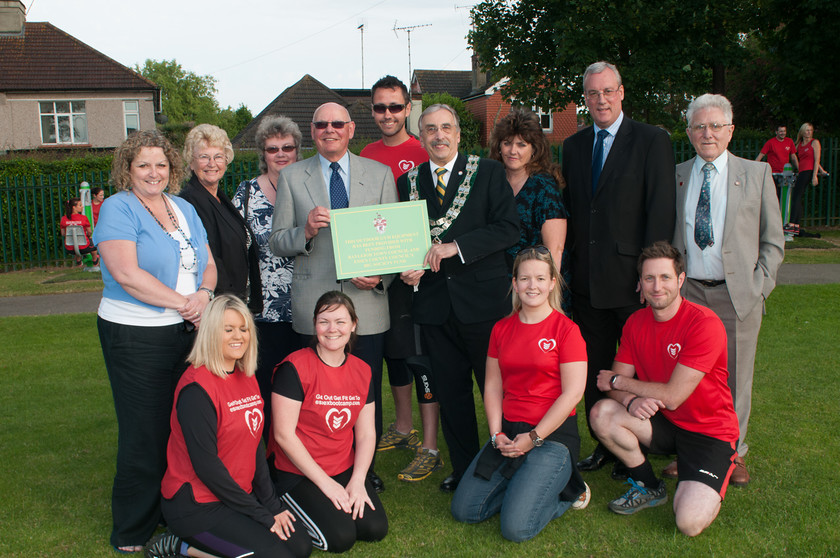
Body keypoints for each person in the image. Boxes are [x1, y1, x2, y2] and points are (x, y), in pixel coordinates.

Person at [93, 130, 217, 553]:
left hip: (186, 330)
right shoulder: (118, 208)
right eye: (143, 164)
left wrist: (204, 297)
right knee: (144, 432)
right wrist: (186, 304)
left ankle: (172, 510)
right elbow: (127, 274)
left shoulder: (183, 207)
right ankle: (132, 527)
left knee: (179, 427)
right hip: (135, 334)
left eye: (161, 164)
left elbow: (209, 263)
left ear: (172, 168)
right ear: (127, 168)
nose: (153, 173)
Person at [269, 102, 397, 493]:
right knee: (313, 397)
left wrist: (379, 279)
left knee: (365, 394)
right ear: (312, 130)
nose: (330, 130)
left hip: (367, 309)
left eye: (337, 123)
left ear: (350, 129)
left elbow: (394, 241)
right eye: (321, 124)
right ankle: (313, 470)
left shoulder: (379, 175)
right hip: (314, 309)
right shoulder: (292, 176)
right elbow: (277, 242)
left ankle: (364, 471)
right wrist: (305, 231)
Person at [397, 103, 520, 492]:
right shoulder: (408, 182)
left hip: (484, 303)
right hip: (434, 305)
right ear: (420, 135)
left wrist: (457, 247)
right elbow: (404, 239)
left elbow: (508, 229)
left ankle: (515, 461)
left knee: (500, 389)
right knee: (450, 393)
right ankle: (466, 468)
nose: (439, 135)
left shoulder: (488, 172)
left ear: (458, 133)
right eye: (430, 129)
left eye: (446, 127)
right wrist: (405, 266)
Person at [562, 61, 676, 474]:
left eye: (608, 91)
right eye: (592, 94)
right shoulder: (573, 147)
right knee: (595, 367)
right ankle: (606, 442)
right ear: (586, 99)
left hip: (632, 284)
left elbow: (660, 212)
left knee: (641, 369)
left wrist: (650, 279)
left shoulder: (651, 140)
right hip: (588, 285)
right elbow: (575, 213)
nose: (601, 100)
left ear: (622, 92)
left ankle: (648, 443)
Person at [590, 241, 739, 537]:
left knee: (687, 523)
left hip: (708, 433)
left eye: (665, 277)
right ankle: (649, 485)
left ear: (681, 280)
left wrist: (621, 385)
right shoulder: (635, 322)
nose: (657, 287)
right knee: (602, 413)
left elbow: (671, 397)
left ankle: (712, 468)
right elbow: (611, 387)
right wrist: (631, 400)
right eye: (649, 278)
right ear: (640, 284)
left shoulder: (703, 324)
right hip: (666, 425)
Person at [145, 295, 312, 558]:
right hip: (197, 506)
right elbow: (207, 468)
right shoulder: (196, 389)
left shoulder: (245, 375)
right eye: (228, 329)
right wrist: (262, 515)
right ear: (211, 333)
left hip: (236, 498)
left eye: (244, 328)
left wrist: (273, 506)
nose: (239, 336)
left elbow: (256, 444)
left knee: (300, 547)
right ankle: (182, 548)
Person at [673, 93, 784, 486]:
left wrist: (759, 287)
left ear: (730, 130)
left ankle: (733, 456)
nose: (708, 133)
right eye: (700, 126)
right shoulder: (678, 175)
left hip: (738, 297)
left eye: (716, 125)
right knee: (687, 379)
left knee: (735, 380)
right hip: (689, 297)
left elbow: (773, 241)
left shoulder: (756, 175)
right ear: (688, 132)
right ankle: (689, 452)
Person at [450, 246, 588, 542]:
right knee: (465, 510)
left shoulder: (567, 330)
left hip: (551, 437)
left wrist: (535, 437)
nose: (532, 285)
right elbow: (492, 386)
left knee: (516, 528)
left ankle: (570, 490)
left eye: (540, 278)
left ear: (552, 282)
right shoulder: (501, 329)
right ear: (514, 284)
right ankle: (523, 486)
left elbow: (573, 393)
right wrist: (496, 434)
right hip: (509, 434)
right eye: (524, 279)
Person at [359, 75, 440, 484]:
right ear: (372, 111)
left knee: (420, 356)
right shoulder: (366, 154)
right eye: (380, 107)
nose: (387, 114)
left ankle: (430, 446)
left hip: (417, 276)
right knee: (394, 353)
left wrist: (419, 260)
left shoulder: (423, 150)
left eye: (395, 107)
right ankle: (403, 427)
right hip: (380, 278)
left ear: (409, 109)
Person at [268, 292, 388, 553]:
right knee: (340, 538)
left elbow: (367, 433)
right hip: (299, 470)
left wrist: (357, 479)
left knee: (374, 529)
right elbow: (283, 435)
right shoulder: (295, 368)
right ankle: (281, 502)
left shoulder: (362, 370)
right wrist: (326, 484)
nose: (332, 329)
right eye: (324, 321)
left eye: (340, 322)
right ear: (315, 325)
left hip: (341, 465)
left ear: (354, 324)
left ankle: (335, 495)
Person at [232, 115, 303, 444]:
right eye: (272, 148)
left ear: (297, 149)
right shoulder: (246, 194)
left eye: (287, 147)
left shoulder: (311, 188)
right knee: (263, 387)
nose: (280, 153)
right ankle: (265, 461)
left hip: (306, 307)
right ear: (263, 152)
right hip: (262, 310)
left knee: (302, 389)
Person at [488, 109, 571, 312]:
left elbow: (555, 249)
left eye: (521, 145)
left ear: (534, 149)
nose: (512, 151)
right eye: (507, 143)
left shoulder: (544, 187)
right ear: (498, 146)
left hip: (536, 288)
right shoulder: (493, 183)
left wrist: (546, 296)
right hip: (499, 285)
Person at [181, 123, 262, 313]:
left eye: (218, 157)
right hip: (219, 305)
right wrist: (229, 304)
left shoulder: (221, 199)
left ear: (226, 161)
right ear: (191, 163)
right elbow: (209, 257)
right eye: (204, 157)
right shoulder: (190, 201)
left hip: (237, 300)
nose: (212, 163)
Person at [790, 122, 825, 236]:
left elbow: (816, 159)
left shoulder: (814, 142)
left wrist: (815, 175)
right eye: (807, 130)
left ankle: (792, 224)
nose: (809, 132)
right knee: (797, 197)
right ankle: (795, 226)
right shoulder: (799, 144)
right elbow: (793, 155)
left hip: (808, 171)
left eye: (810, 130)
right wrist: (822, 170)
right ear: (802, 132)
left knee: (796, 196)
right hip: (801, 171)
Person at [60, 197, 99, 267]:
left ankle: (78, 261)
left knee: (75, 242)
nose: (82, 207)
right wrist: (87, 236)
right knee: (93, 244)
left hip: (69, 248)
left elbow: (63, 233)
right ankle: (95, 262)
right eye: (80, 205)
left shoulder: (63, 219)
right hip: (84, 247)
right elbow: (89, 232)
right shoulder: (83, 218)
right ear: (74, 207)